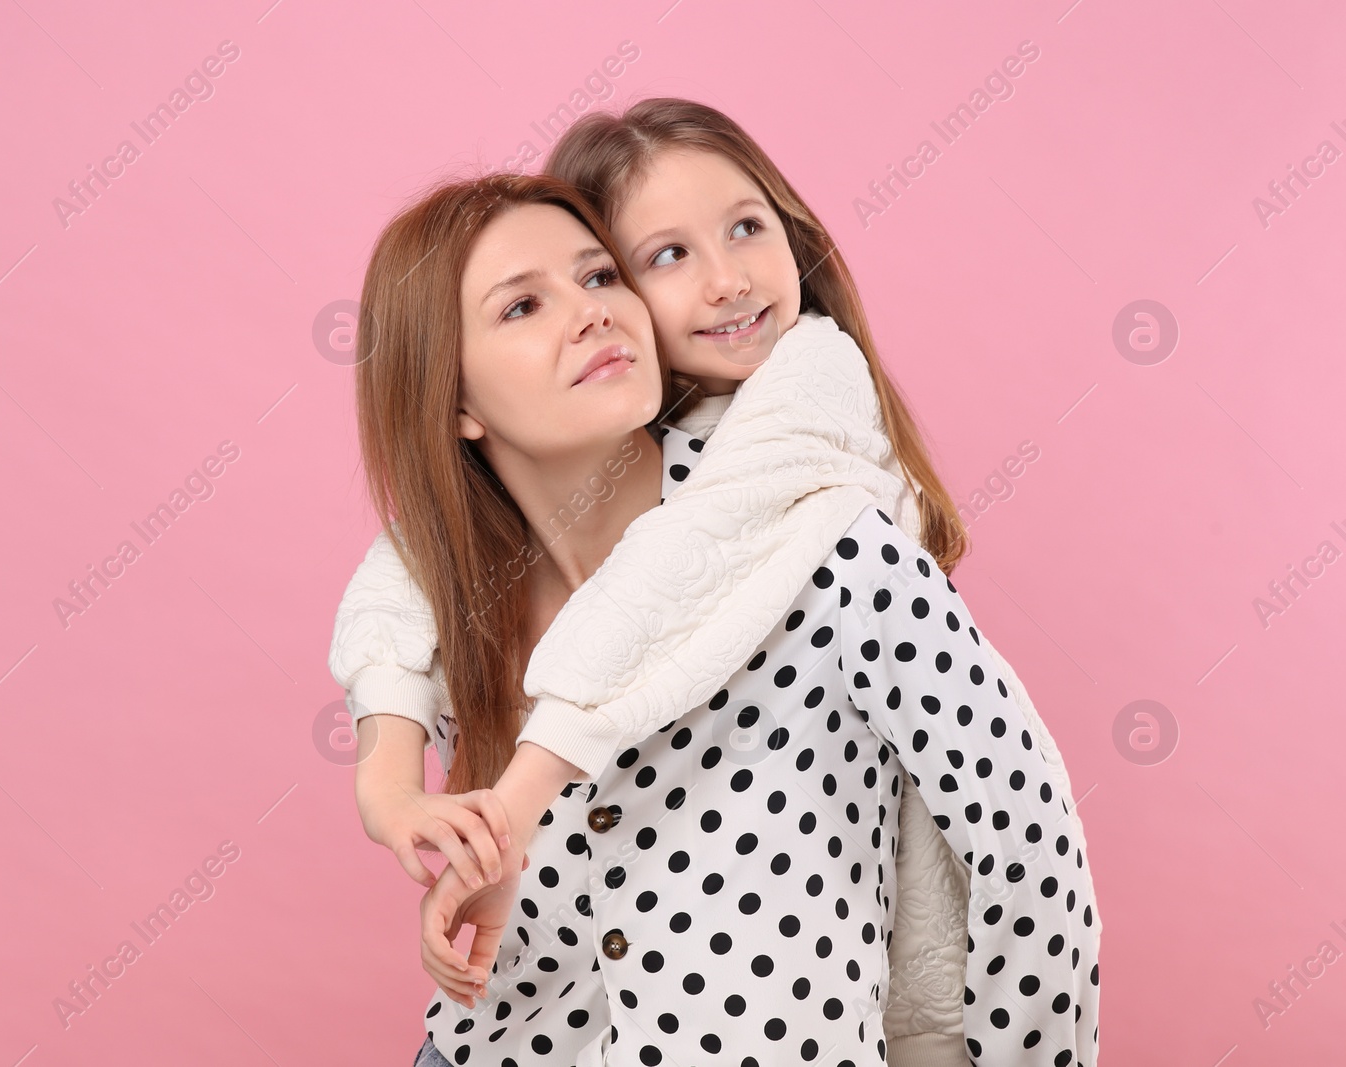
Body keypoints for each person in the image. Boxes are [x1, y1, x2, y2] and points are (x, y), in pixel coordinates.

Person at [334, 99, 1101, 1067]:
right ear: (454, 403)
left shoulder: (827, 544)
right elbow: (390, 622)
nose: (590, 311)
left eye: (598, 275)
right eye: (523, 306)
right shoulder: (457, 582)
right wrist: (392, 792)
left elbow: (1025, 843)